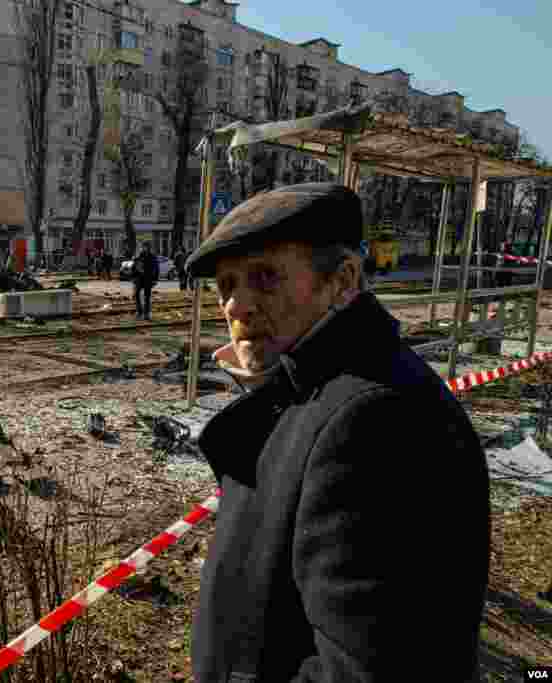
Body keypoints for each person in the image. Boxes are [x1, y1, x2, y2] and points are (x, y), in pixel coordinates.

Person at [185, 183, 490, 682]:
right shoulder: (318, 391)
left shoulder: (377, 421)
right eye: (226, 285)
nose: (236, 305)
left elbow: (366, 668)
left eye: (265, 277)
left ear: (343, 280)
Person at [133, 242, 157, 320]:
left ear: (149, 248)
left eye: (146, 247)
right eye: (143, 247)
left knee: (147, 297)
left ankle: (146, 313)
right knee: (136, 294)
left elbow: (156, 268)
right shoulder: (138, 256)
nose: (144, 248)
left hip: (148, 278)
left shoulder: (152, 257)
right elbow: (134, 267)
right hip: (139, 279)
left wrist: (155, 279)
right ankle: (139, 311)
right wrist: (133, 278)